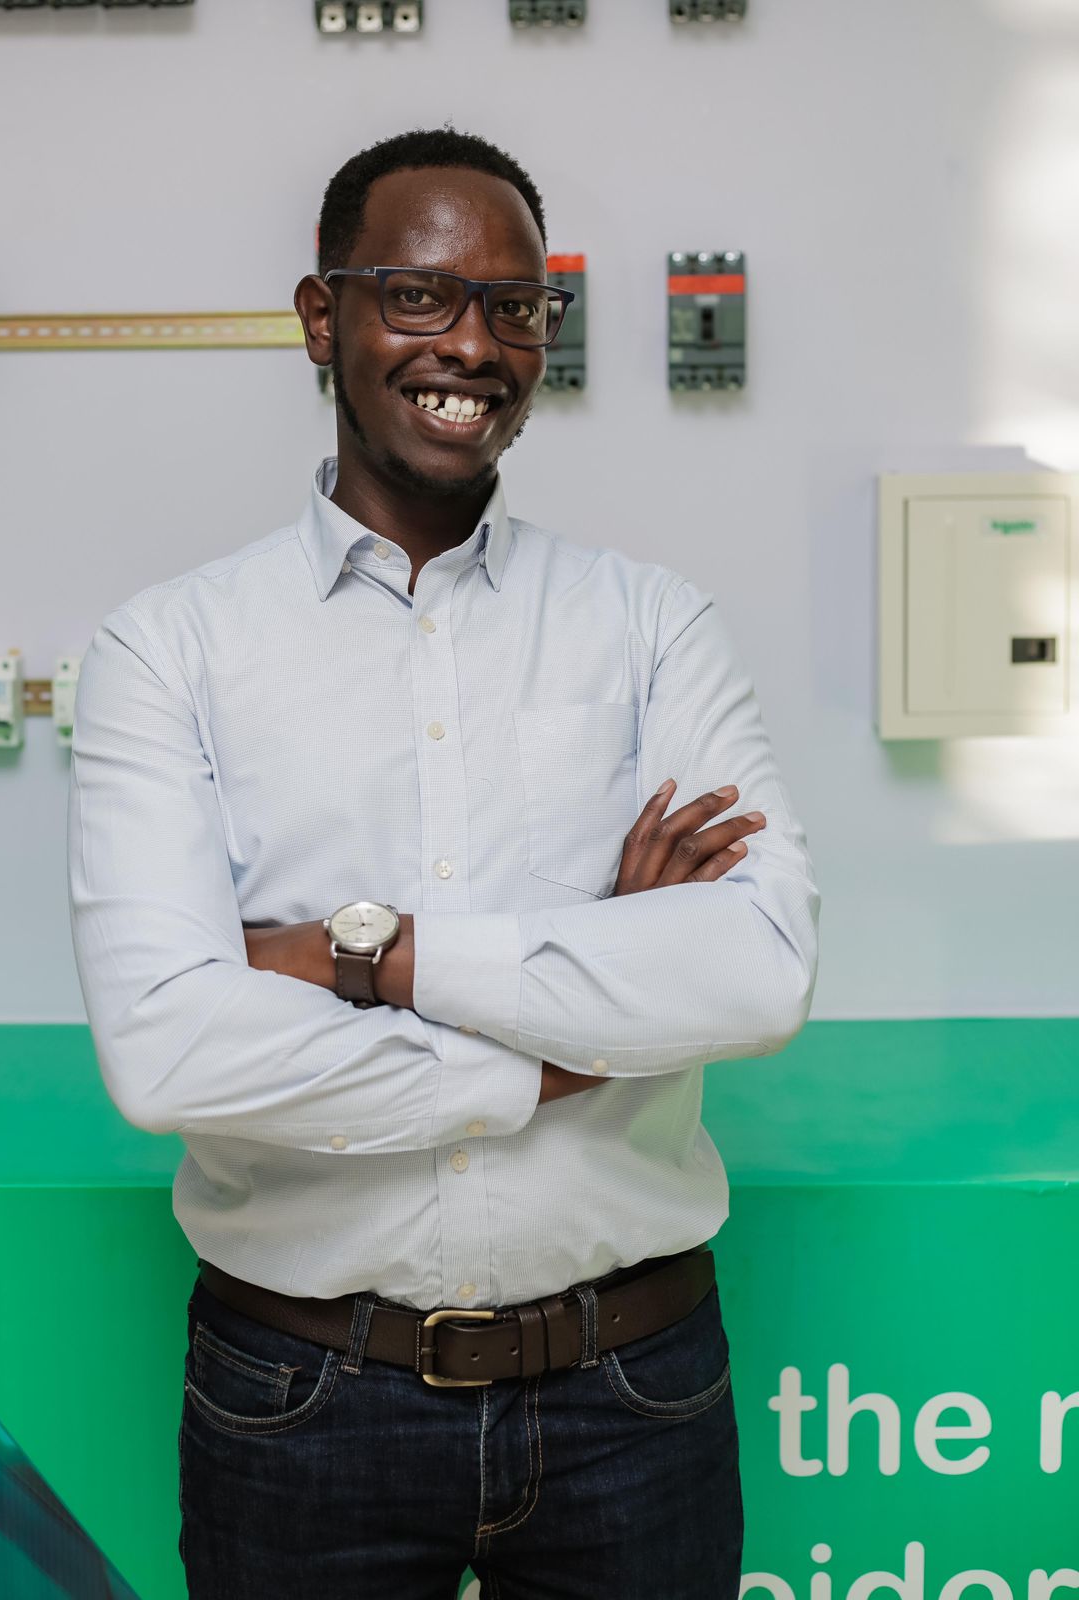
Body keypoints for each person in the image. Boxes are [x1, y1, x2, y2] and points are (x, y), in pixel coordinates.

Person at [66, 126, 819, 1599]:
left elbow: (758, 971)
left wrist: (372, 956)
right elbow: (167, 1051)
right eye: (418, 296)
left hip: (633, 1393)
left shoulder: (650, 626)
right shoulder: (168, 653)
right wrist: (581, 1015)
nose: (471, 345)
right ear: (321, 317)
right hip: (303, 1401)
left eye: (514, 307)